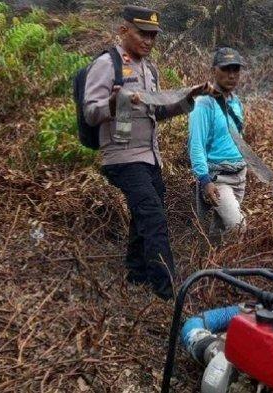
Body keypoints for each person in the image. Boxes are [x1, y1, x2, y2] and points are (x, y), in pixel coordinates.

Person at [84, 5, 209, 300]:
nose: (149, 41)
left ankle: (136, 272)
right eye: (143, 34)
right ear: (124, 30)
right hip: (122, 157)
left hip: (149, 156)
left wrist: (186, 99)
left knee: (146, 213)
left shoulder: (149, 70)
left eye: (153, 36)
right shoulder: (106, 64)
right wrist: (113, 105)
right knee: (153, 217)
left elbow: (157, 111)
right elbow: (90, 112)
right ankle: (167, 291)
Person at [188, 47, 247, 243]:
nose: (231, 75)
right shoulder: (204, 104)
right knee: (238, 226)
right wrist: (205, 180)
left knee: (219, 232)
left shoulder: (236, 102)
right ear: (214, 70)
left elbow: (237, 138)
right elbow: (196, 144)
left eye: (235, 70)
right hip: (218, 178)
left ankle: (215, 269)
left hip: (239, 176)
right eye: (226, 69)